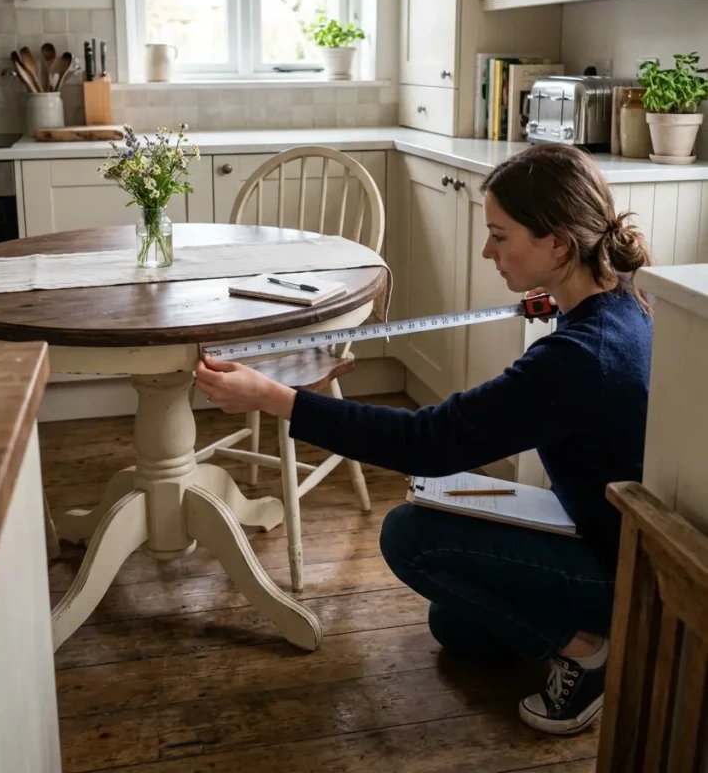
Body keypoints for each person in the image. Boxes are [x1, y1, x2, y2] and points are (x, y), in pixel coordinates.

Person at [195, 143, 653, 737]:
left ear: (559, 243)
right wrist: (556, 301)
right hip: (595, 530)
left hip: (617, 573)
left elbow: (426, 441)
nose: (487, 250)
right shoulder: (620, 302)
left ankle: (590, 653)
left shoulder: (579, 358)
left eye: (500, 235)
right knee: (454, 625)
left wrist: (274, 398)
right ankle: (569, 626)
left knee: (409, 536)